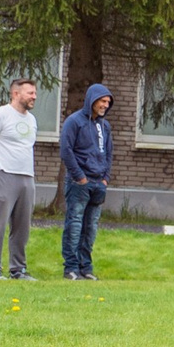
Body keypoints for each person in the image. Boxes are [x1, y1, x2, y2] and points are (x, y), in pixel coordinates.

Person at [0, 77, 41, 280]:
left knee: (22, 227)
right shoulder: (0, 115)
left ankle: (18, 269)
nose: (34, 97)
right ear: (15, 94)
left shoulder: (31, 119)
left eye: (34, 93)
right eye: (30, 93)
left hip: (27, 177)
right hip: (4, 175)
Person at [58, 81, 114, 280]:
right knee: (74, 225)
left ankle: (86, 268)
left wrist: (106, 178)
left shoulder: (105, 126)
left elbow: (108, 153)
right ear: (92, 99)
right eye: (102, 101)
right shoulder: (74, 121)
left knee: (90, 228)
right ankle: (71, 268)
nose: (105, 105)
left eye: (108, 102)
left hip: (99, 184)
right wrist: (80, 177)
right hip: (79, 183)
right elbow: (66, 150)